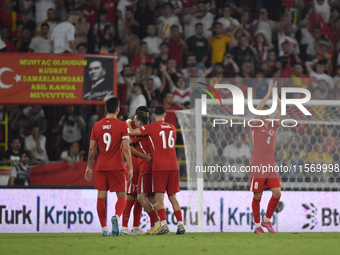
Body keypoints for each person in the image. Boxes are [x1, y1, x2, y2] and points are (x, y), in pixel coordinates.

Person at [127, 105, 185, 235]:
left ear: (153, 116)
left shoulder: (151, 127)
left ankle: (163, 225)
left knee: (159, 198)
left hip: (159, 166)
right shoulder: (172, 128)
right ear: (165, 115)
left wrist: (128, 123)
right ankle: (180, 224)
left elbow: (131, 132)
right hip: (174, 166)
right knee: (173, 197)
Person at [84, 97, 133, 237]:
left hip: (101, 166)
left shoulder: (97, 125)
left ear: (106, 109)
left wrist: (88, 167)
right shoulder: (123, 125)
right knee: (122, 196)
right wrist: (130, 167)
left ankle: (104, 229)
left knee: (100, 197)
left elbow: (92, 149)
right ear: (118, 109)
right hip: (117, 166)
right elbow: (125, 149)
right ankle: (116, 217)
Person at [250, 80, 282, 234]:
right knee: (258, 196)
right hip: (257, 166)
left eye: (267, 112)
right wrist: (268, 94)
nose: (266, 114)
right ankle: (257, 226)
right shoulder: (256, 125)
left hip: (270, 167)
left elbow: (281, 111)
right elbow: (257, 110)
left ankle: (267, 221)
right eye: (264, 112)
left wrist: (275, 94)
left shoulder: (273, 126)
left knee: (277, 193)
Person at [121, 107, 153, 235]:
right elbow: (127, 145)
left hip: (141, 168)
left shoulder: (142, 129)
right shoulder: (129, 128)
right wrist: (145, 157)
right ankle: (124, 227)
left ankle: (135, 227)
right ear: (136, 116)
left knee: (140, 197)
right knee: (130, 197)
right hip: (132, 168)